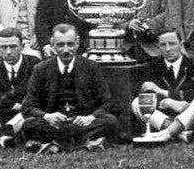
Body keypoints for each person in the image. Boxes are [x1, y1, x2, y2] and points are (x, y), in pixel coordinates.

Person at [20, 24, 120, 152]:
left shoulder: (91, 67)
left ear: (77, 43)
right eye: (60, 45)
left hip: (83, 123)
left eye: (70, 44)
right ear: (52, 45)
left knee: (110, 121)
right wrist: (47, 116)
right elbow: (27, 106)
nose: (66, 50)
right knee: (29, 124)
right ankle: (88, 144)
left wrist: (90, 118)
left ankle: (54, 145)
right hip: (54, 125)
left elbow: (107, 102)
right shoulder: (41, 69)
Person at [130, 30, 194, 143]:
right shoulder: (152, 66)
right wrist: (167, 102)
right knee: (137, 103)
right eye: (163, 45)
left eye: (172, 44)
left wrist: (165, 93)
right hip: (165, 113)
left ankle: (172, 132)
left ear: (181, 44)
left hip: (189, 112)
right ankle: (180, 133)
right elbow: (147, 93)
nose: (168, 49)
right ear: (158, 47)